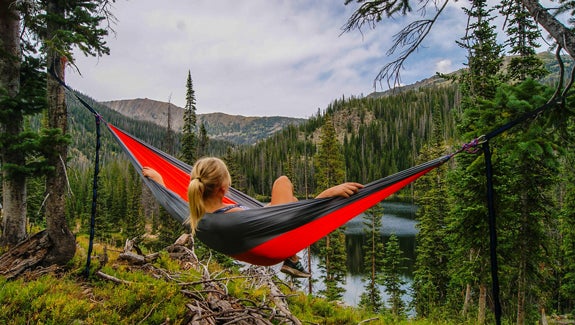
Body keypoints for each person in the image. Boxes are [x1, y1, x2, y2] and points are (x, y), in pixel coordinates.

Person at [143, 157, 363, 278]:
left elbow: (172, 199)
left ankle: (293, 258)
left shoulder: (193, 212)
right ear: (223, 187)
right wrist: (326, 196)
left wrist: (160, 181)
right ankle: (292, 258)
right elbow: (292, 221)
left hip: (254, 236)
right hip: (270, 247)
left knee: (291, 199)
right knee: (282, 182)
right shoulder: (234, 217)